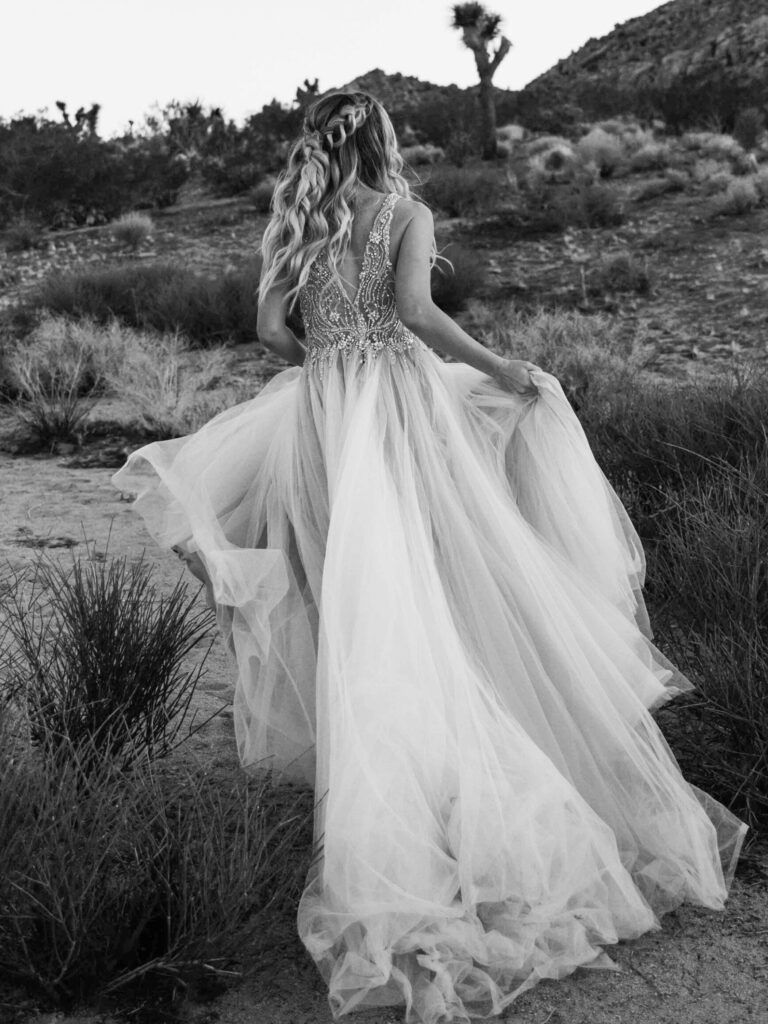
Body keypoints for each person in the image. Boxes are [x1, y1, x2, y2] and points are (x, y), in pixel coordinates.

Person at [111, 90, 747, 1024]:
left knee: (363, 601)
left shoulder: (299, 217)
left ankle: (395, 805)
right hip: (402, 414)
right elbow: (416, 311)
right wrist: (498, 370)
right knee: (439, 590)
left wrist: (330, 370)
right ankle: (463, 812)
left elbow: (270, 333)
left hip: (327, 417)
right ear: (383, 141)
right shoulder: (407, 214)